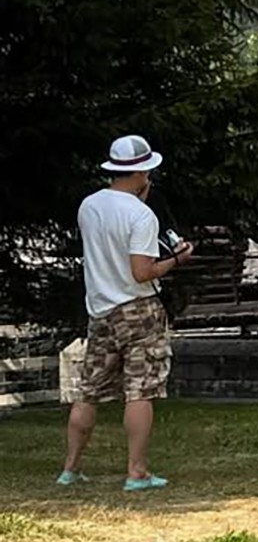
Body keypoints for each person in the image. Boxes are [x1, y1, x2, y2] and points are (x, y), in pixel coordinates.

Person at [59, 136, 190, 492]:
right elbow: (142, 272)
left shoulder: (89, 206)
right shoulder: (141, 215)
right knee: (139, 391)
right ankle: (137, 472)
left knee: (88, 391)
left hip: (101, 309)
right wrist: (177, 259)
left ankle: (70, 468)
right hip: (138, 309)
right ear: (142, 172)